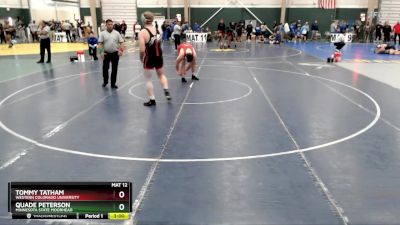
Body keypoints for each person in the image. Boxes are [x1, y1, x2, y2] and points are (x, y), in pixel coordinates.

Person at [139, 11, 171, 106]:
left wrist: (141, 58)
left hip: (149, 57)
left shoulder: (143, 32)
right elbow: (159, 42)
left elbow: (142, 49)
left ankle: (152, 100)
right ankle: (166, 89)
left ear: (143, 20)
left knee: (148, 79)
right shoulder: (158, 30)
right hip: (159, 56)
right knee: (161, 75)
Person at [98, 19, 124, 89]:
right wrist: (101, 52)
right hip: (106, 53)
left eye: (111, 24)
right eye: (109, 24)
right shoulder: (102, 33)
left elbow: (121, 42)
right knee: (105, 68)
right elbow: (100, 43)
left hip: (115, 54)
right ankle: (105, 81)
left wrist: (121, 50)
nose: (110, 26)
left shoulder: (117, 33)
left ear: (113, 25)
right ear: (106, 25)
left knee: (114, 69)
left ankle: (113, 83)